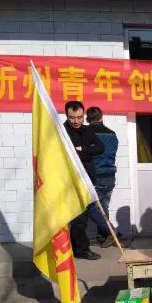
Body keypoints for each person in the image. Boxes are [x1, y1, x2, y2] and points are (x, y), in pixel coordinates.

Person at [64, 101, 104, 260]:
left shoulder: (88, 130)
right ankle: (80, 248)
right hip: (69, 181)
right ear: (66, 115)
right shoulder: (61, 131)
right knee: (76, 217)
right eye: (72, 117)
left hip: (87, 179)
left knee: (82, 217)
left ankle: (77, 247)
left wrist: (82, 149)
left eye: (80, 117)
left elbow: (100, 148)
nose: (76, 121)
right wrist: (86, 152)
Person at [85, 107, 121, 248]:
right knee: (103, 206)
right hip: (110, 175)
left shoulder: (87, 133)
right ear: (101, 118)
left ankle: (111, 232)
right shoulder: (112, 134)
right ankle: (103, 237)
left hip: (97, 175)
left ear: (87, 119)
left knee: (90, 206)